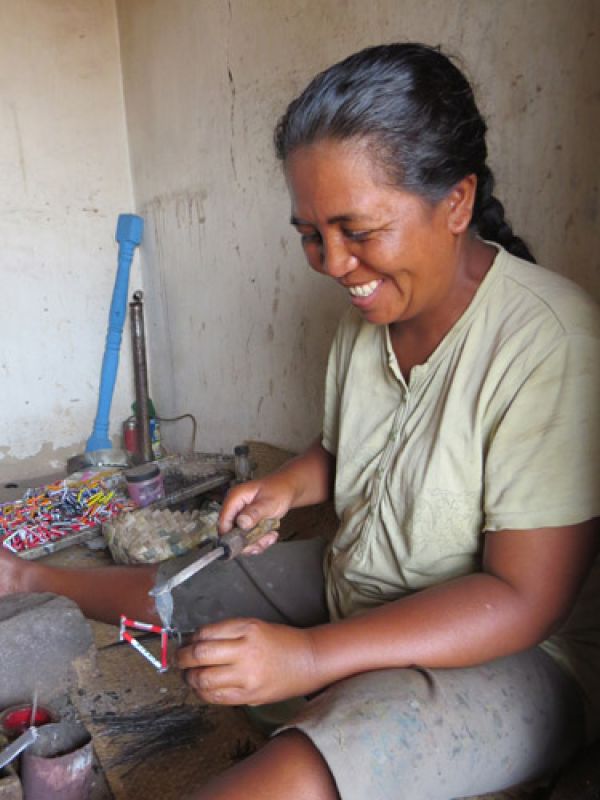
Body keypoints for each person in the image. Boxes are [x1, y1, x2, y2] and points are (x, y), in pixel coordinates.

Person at [1, 43, 599, 800]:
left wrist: (311, 658)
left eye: (358, 231)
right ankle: (20, 574)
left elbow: (524, 598)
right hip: (364, 581)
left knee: (311, 767)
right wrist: (288, 484)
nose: (333, 263)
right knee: (188, 591)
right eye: (311, 234)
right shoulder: (367, 321)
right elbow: (363, 443)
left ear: (456, 202)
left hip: (514, 653)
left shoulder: (550, 339)